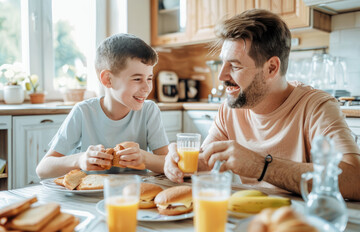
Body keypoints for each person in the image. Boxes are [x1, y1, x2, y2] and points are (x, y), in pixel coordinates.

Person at [164, 9, 360, 200]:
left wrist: (261, 166)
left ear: (271, 68)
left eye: (235, 66)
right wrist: (177, 161)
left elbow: (355, 179)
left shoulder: (316, 107)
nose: (222, 76)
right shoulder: (231, 108)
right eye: (223, 63)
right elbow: (205, 163)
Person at [37, 33, 169, 178]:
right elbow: (43, 169)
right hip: (89, 197)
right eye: (137, 79)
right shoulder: (84, 112)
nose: (147, 88)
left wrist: (145, 158)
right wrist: (79, 160)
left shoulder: (149, 111)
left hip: (134, 196)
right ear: (108, 79)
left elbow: (167, 164)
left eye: (149, 78)